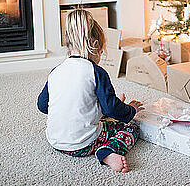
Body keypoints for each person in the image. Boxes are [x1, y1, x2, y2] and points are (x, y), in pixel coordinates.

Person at [37, 9, 144, 173]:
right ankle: (106, 152)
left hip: (55, 141)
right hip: (83, 144)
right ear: (94, 46)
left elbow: (43, 106)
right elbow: (112, 109)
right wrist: (130, 109)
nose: (100, 56)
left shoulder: (55, 71)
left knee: (104, 117)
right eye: (101, 52)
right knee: (131, 128)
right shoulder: (96, 72)